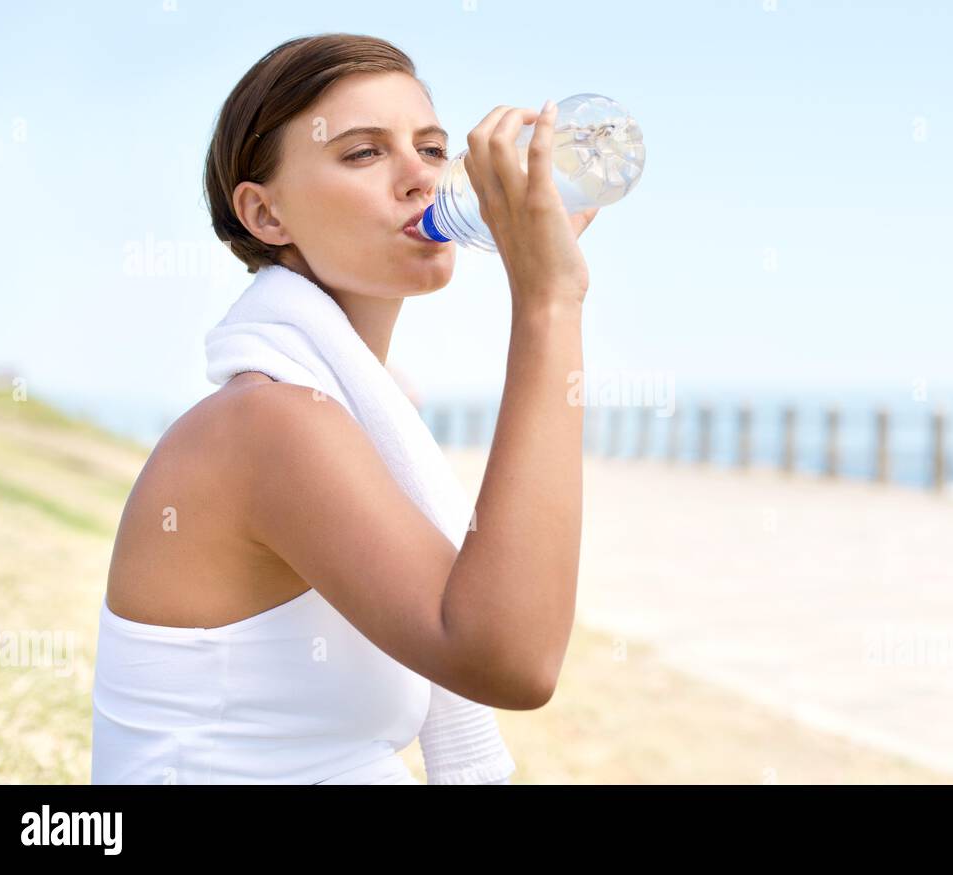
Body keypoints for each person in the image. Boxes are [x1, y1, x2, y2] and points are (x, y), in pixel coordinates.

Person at [91, 32, 596, 784]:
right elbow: (510, 658)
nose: (420, 179)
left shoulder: (361, 407)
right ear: (266, 214)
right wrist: (550, 302)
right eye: (363, 152)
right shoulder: (268, 424)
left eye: (431, 148)